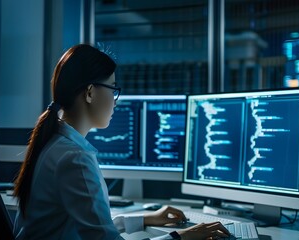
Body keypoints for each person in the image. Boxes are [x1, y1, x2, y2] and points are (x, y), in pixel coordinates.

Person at [13, 44, 230, 240]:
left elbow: (93, 225)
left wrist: (144, 219)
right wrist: (180, 237)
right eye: (113, 88)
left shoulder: (55, 143)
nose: (116, 100)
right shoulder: (75, 158)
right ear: (90, 93)